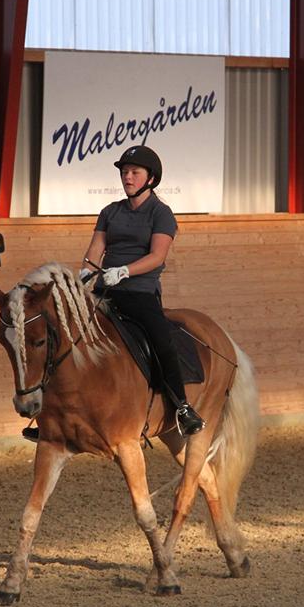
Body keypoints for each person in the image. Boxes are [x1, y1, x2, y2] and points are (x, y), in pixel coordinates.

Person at [79, 145, 205, 437]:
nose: (127, 177)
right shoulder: (110, 211)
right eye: (124, 172)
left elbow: (157, 256)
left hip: (139, 291)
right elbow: (96, 248)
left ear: (151, 178)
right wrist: (86, 272)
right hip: (105, 290)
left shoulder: (161, 214)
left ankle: (182, 406)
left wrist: (124, 271)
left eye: (134, 172)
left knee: (162, 340)